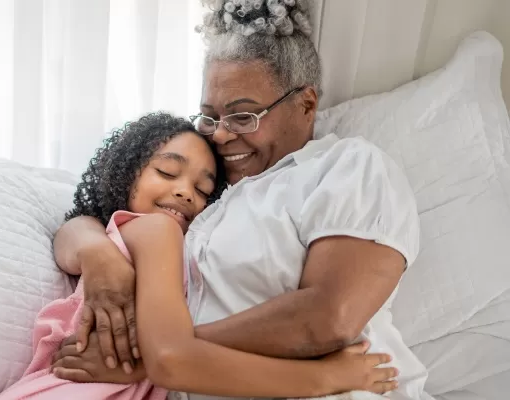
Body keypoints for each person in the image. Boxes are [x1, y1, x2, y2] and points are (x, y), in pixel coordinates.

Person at [51, 1, 432, 400]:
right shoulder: (210, 198)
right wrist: (99, 255)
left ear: (306, 104)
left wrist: (154, 358)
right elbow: (99, 217)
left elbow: (328, 317)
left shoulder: (346, 166)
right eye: (210, 118)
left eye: (244, 116)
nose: (219, 135)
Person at [0, 112, 397, 400]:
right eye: (168, 173)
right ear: (124, 172)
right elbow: (172, 359)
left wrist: (96, 249)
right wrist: (325, 377)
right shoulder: (156, 230)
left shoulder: (138, 237)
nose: (187, 193)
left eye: (204, 191)